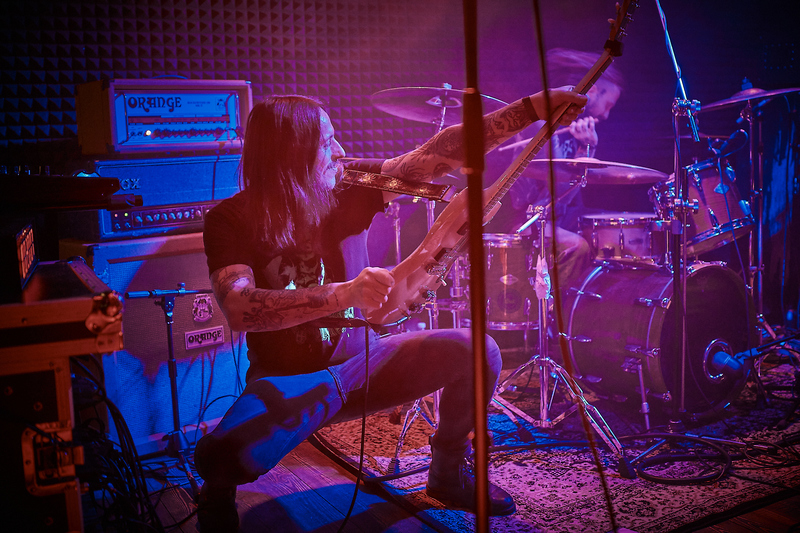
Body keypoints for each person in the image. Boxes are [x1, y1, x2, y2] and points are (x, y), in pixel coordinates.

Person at [193, 89, 587, 531]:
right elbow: (240, 307)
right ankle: (215, 495)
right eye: (326, 141)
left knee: (478, 349)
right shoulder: (230, 219)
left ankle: (448, 474)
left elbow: (439, 153)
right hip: (291, 380)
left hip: (366, 363)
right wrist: (344, 294)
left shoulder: (348, 183)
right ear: (292, 152)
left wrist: (530, 109)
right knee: (220, 460)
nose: (339, 150)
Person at [494, 48, 624, 286]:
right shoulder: (544, 124)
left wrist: (585, 149)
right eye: (608, 105)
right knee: (577, 247)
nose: (606, 115)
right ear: (592, 92)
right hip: (525, 220)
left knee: (614, 235)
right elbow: (559, 191)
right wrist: (586, 150)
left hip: (554, 216)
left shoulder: (574, 126)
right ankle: (552, 307)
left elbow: (568, 194)